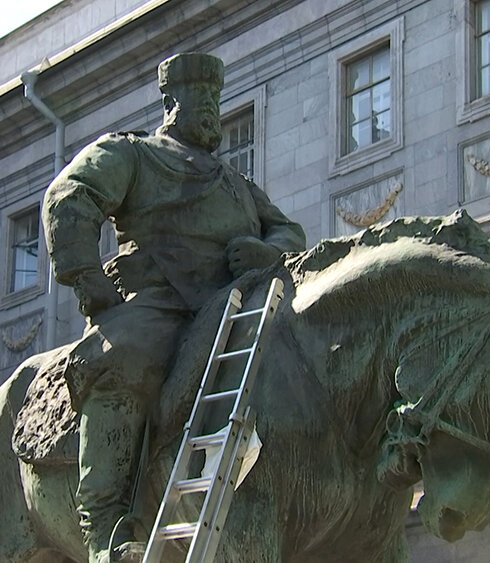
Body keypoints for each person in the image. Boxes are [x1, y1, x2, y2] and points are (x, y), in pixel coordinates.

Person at [41, 52, 306, 562]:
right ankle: (106, 531)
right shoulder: (134, 155)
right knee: (128, 359)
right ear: (169, 100)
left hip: (233, 311)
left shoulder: (239, 185)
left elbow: (288, 230)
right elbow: (70, 197)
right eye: (200, 96)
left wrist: (269, 251)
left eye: (216, 96)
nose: (212, 107)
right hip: (160, 307)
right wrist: (92, 285)